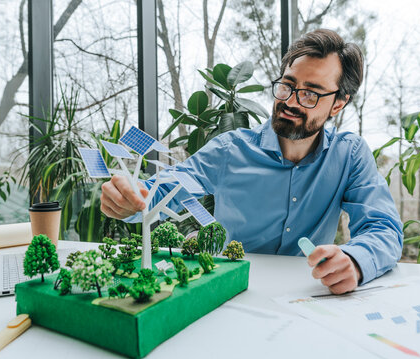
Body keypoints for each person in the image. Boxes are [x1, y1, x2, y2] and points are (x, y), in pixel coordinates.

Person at [99, 29, 403, 295]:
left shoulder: (349, 155)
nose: (290, 101)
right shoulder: (230, 149)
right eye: (287, 85)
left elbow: (384, 229)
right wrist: (128, 199)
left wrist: (356, 260)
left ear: (338, 103)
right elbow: (160, 192)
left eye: (310, 94)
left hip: (307, 295)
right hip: (227, 292)